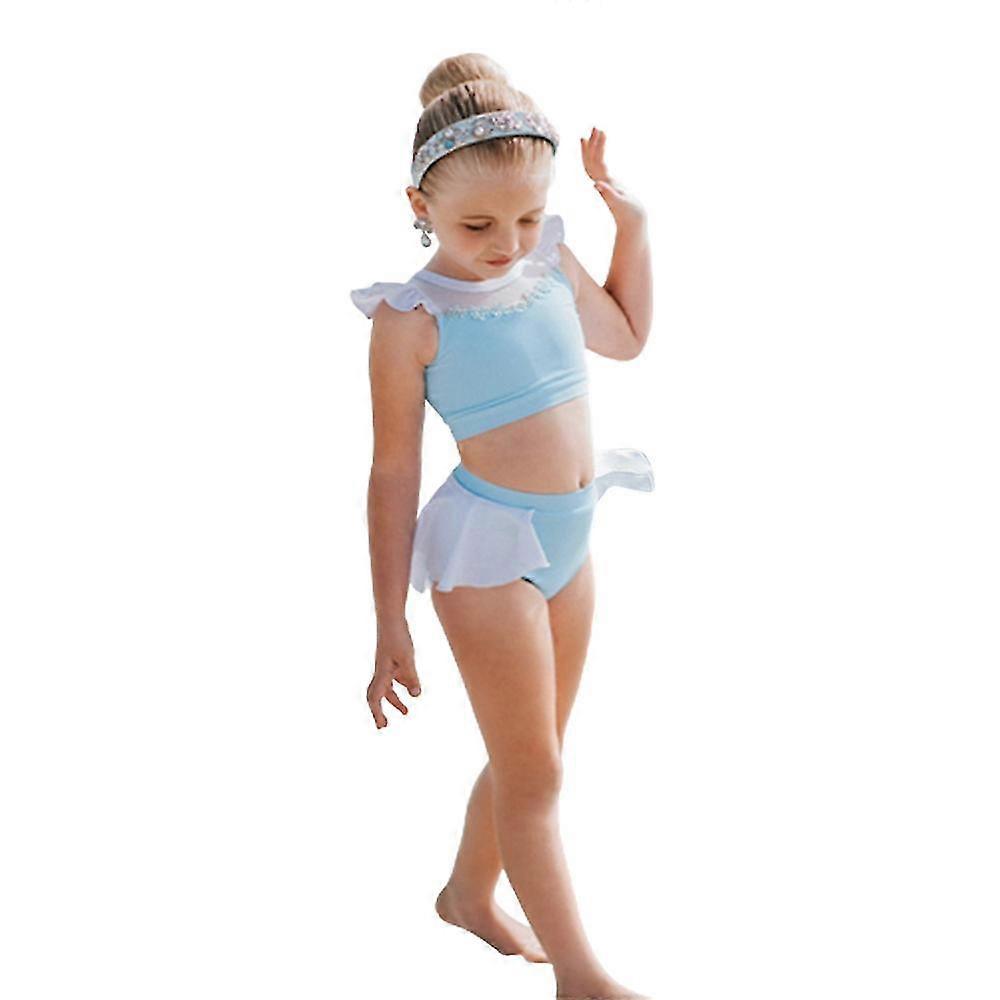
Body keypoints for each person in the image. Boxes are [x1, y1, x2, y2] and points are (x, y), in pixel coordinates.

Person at [350, 53, 655, 1000]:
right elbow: (392, 472)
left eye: (527, 217)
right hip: (487, 555)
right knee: (537, 779)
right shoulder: (412, 320)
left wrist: (631, 225)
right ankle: (582, 978)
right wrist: (389, 618)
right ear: (421, 204)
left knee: (536, 757)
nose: (506, 242)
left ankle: (468, 895)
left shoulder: (547, 263)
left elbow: (626, 336)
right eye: (478, 225)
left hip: (572, 535)